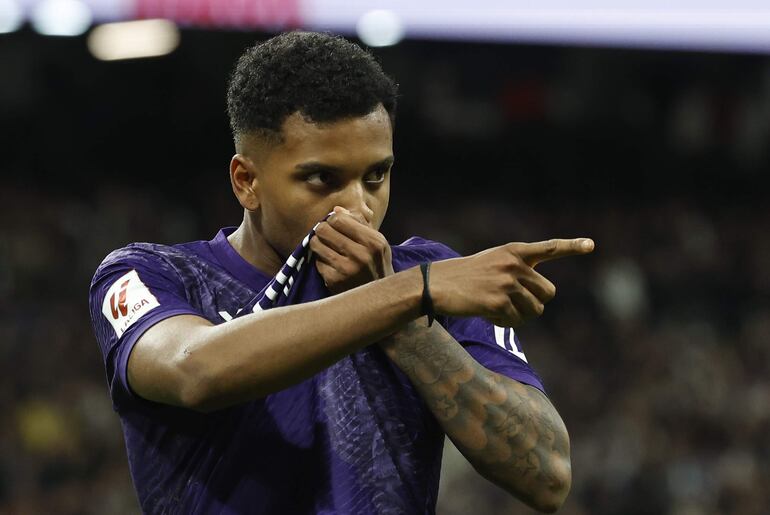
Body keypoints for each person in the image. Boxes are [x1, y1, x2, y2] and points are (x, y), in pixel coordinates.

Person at [89, 31, 593, 514]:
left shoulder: (431, 277)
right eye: (321, 179)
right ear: (247, 182)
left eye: (376, 176)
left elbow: (546, 476)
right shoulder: (150, 274)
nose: (357, 208)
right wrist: (411, 293)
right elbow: (194, 371)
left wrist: (407, 320)